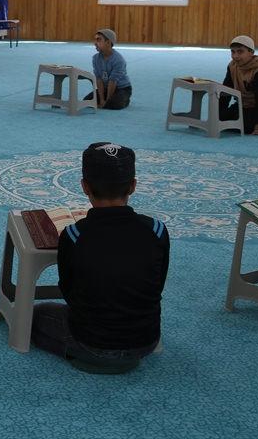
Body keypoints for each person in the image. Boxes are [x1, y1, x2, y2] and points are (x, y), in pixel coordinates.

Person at [30, 142, 169, 374]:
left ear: (85, 186)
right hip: (146, 341)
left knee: (34, 316)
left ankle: (89, 354)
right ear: (133, 186)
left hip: (90, 342)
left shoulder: (74, 234)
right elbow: (158, 284)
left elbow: (68, 290)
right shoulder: (157, 230)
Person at [219, 35, 258, 136]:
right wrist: (218, 115)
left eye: (240, 52)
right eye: (233, 52)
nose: (235, 56)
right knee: (222, 118)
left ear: (251, 52)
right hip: (244, 106)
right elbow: (226, 91)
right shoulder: (232, 66)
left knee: (245, 125)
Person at [89, 28, 131, 109]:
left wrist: (107, 101)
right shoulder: (95, 58)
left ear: (108, 42)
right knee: (88, 101)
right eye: (95, 40)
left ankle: (125, 99)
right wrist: (101, 99)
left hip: (121, 88)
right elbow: (99, 79)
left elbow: (113, 81)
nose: (95, 43)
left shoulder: (118, 60)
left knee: (114, 104)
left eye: (99, 40)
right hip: (105, 88)